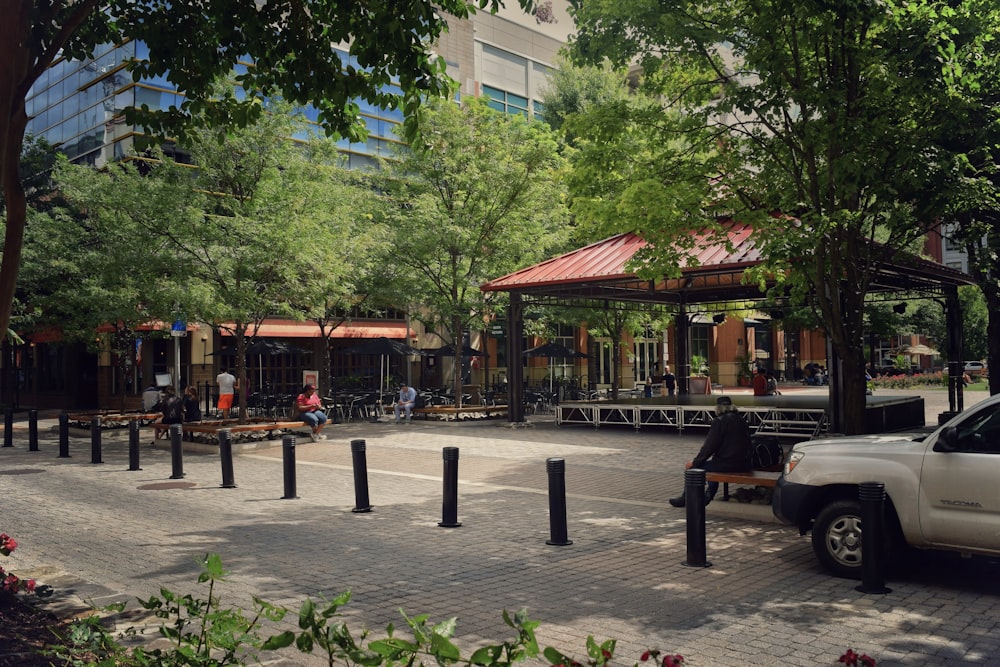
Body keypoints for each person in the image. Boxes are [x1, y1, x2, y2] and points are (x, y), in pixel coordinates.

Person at [668, 396, 752, 507]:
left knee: (695, 469)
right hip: (744, 463)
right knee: (712, 466)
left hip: (727, 464)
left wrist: (695, 462)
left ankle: (688, 497)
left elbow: (709, 447)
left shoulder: (719, 421)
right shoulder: (741, 420)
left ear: (718, 408)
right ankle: (707, 496)